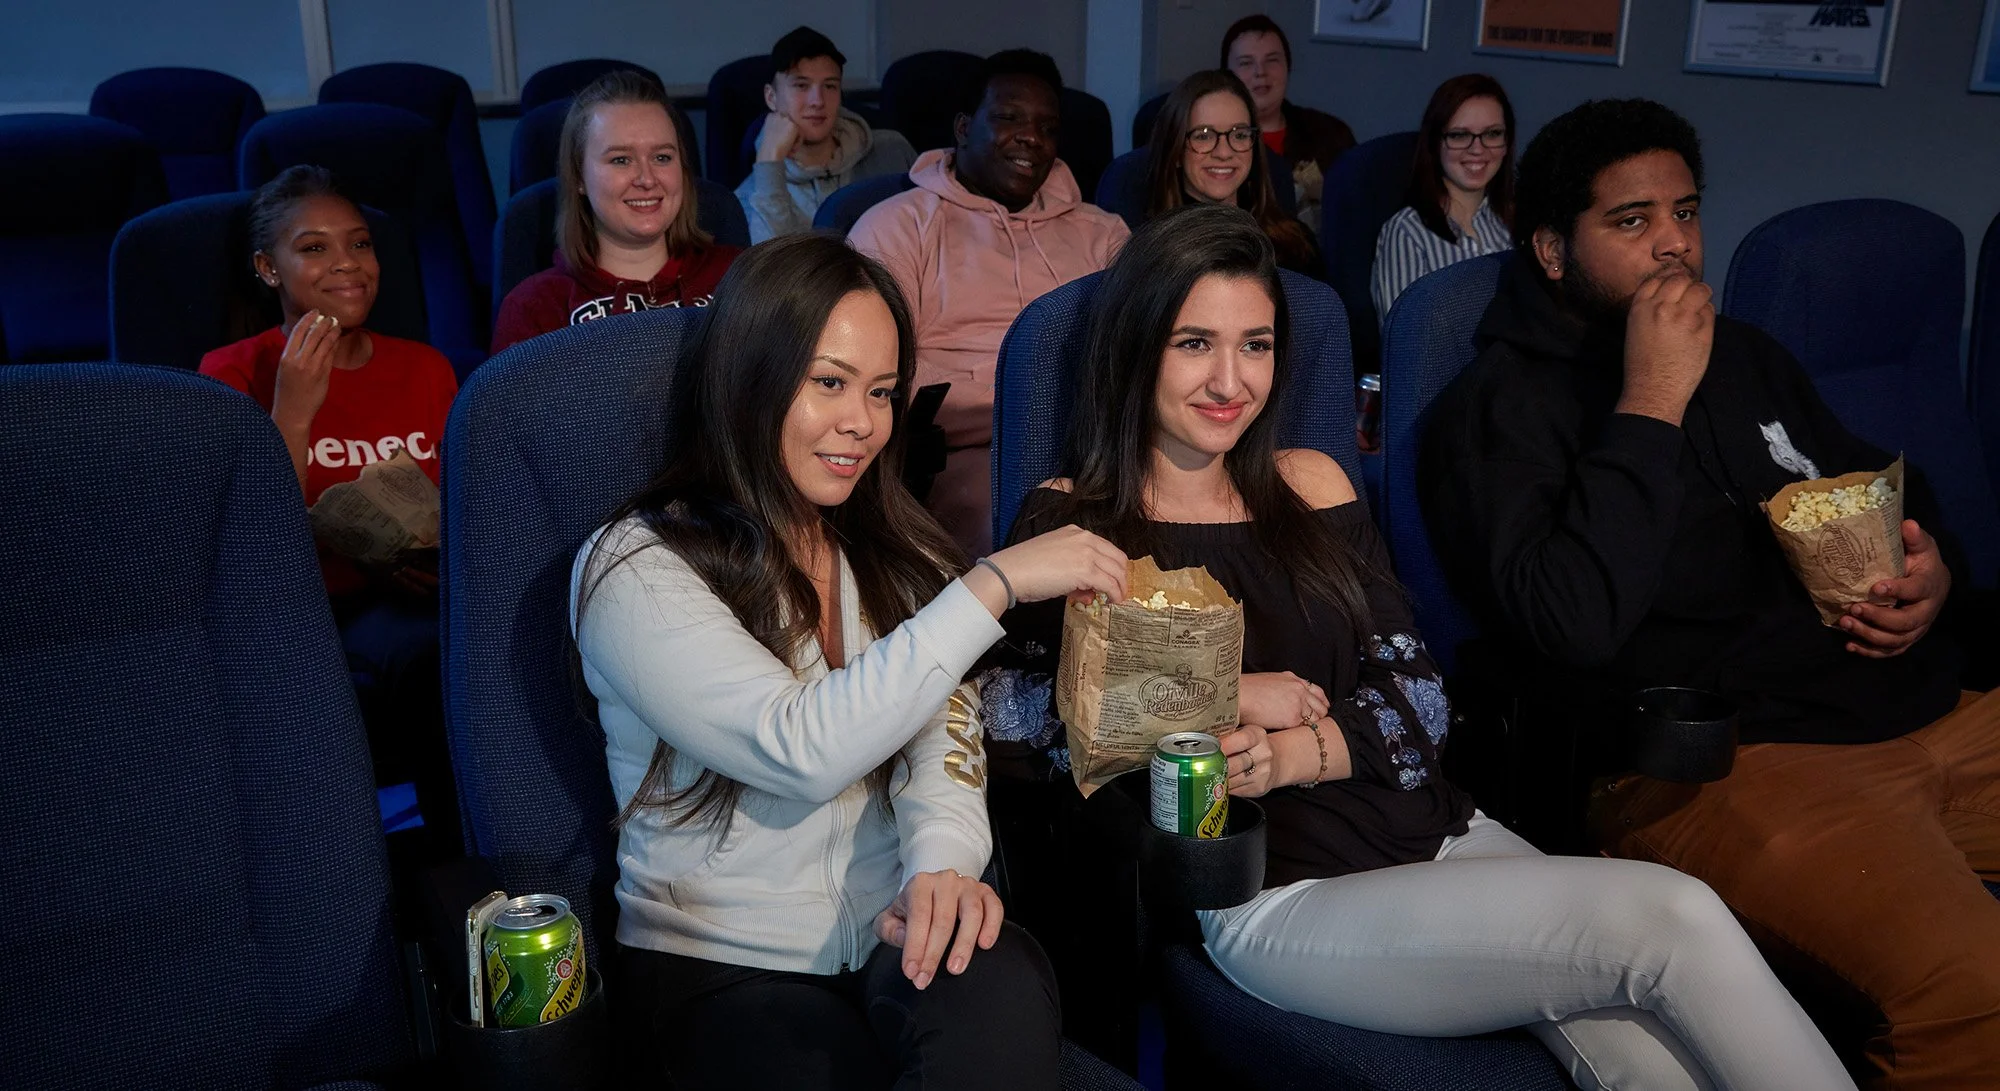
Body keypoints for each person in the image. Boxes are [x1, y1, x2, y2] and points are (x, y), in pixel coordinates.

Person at [988, 204, 1852, 1091]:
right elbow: (1026, 733)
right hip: (1279, 895)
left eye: (1255, 344)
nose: (1230, 380)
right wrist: (1228, 697)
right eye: (1194, 343)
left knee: (1658, 1062)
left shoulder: (1312, 484)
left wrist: (1298, 751)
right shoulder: (1075, 522)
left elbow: (1420, 691)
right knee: (1676, 914)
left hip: (1444, 832)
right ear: (1138, 350)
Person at [1420, 98, 2000, 1089]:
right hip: (1734, 763)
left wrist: (1928, 567)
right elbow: (1568, 624)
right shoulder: (1495, 409)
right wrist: (1649, 399)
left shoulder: (1747, 355)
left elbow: (1869, 478)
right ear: (1553, 251)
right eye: (1631, 221)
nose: (1672, 246)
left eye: (1683, 212)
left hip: (1922, 706)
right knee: (1975, 989)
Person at [569, 232, 1132, 1089]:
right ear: (752, 377)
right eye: (828, 383)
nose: (862, 423)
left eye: (880, 391)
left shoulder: (892, 550)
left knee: (1003, 986)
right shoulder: (634, 564)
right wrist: (993, 585)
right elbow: (798, 747)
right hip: (722, 969)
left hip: (889, 926)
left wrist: (942, 862)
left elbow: (944, 741)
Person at [200, 164, 460, 849]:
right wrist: (292, 413)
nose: (348, 264)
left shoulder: (425, 367)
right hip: (301, 607)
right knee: (428, 661)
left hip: (418, 600)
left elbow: (462, 500)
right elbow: (240, 539)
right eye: (314, 247)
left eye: (361, 244)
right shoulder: (230, 372)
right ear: (268, 267)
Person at [849, 48, 1128, 558]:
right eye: (1009, 118)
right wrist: (1020, 410)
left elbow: (1139, 355)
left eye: (1047, 127)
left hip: (1102, 450)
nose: (1031, 137)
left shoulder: (1105, 234)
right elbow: (878, 374)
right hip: (966, 455)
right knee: (1014, 530)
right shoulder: (896, 226)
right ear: (963, 127)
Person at [493, 70, 740, 354]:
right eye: (621, 160)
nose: (647, 179)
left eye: (662, 157)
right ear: (579, 178)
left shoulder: (739, 277)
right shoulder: (534, 308)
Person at [736, 26, 917, 243]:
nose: (818, 101)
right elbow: (775, 273)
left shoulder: (892, 149)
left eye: (830, 86)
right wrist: (769, 164)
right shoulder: (752, 194)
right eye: (801, 86)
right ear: (771, 97)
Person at [1143, 69, 1320, 278]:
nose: (1224, 152)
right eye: (1203, 136)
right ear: (1177, 151)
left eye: (1239, 134)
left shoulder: (1294, 245)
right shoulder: (1149, 251)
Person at [1371, 74, 1515, 319]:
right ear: (1435, 142)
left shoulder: (1515, 226)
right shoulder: (1406, 232)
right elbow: (1405, 343)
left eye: (1492, 133)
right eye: (1459, 135)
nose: (1477, 149)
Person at [1221, 14, 1355, 234]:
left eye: (1272, 60)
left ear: (1287, 67)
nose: (1260, 72)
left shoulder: (1330, 135)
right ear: (1227, 74)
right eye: (1246, 63)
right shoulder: (1215, 143)